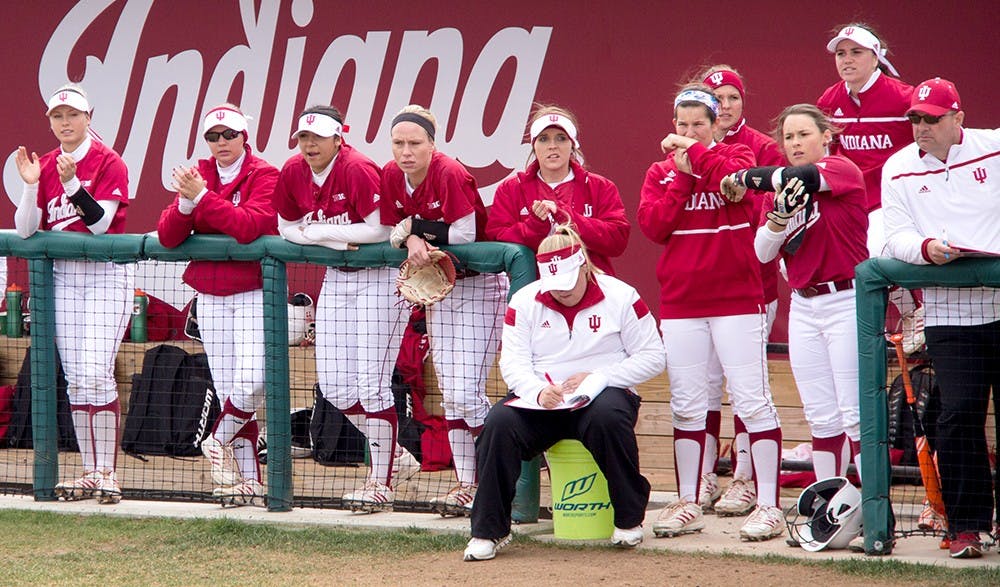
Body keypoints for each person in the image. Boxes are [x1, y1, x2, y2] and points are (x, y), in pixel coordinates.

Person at [463, 226, 665, 561]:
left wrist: (601, 377)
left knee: (608, 418)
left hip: (603, 393)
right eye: (554, 286)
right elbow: (512, 361)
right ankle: (488, 531)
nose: (562, 293)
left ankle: (629, 519)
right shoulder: (524, 300)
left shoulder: (622, 296)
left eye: (569, 284)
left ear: (584, 266)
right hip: (543, 399)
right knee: (498, 423)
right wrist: (538, 390)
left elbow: (654, 356)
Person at [638, 84, 784, 542]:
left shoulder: (738, 158)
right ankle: (687, 501)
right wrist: (681, 176)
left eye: (697, 124)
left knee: (752, 399)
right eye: (680, 124)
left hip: (738, 300)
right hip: (682, 302)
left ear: (716, 122)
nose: (686, 132)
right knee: (686, 403)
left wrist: (697, 154)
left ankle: (769, 506)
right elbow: (654, 227)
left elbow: (741, 191)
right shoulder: (660, 172)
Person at [882, 78, 1000, 559]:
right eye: (916, 118)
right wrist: (926, 250)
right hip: (950, 311)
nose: (922, 127)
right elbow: (895, 236)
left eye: (932, 118)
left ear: (958, 118)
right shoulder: (898, 166)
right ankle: (968, 526)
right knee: (955, 419)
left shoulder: (993, 147)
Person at [274, 105, 414, 512]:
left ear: (338, 138)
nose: (310, 145)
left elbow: (381, 230)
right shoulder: (293, 171)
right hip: (337, 274)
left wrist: (317, 231)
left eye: (318, 137)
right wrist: (332, 240)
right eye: (304, 137)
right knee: (334, 386)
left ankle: (380, 480)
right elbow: (284, 226)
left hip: (379, 278)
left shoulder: (356, 167)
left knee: (372, 383)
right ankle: (396, 457)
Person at [721, 103, 868, 488]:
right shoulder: (777, 192)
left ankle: (872, 507)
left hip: (846, 299)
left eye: (804, 134)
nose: (796, 143)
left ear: (826, 137)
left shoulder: (841, 169)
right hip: (804, 304)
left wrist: (743, 176)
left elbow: (800, 176)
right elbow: (762, 251)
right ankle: (831, 502)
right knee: (820, 415)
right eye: (788, 137)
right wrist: (778, 218)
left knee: (854, 412)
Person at [380, 104, 508, 516]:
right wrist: (410, 236)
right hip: (442, 289)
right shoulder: (390, 174)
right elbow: (389, 229)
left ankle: (506, 467)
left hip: (479, 284)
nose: (406, 151)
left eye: (415, 143)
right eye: (398, 143)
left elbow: (466, 234)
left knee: (465, 392)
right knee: (451, 397)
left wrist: (415, 230)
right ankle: (467, 485)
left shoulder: (448, 171)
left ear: (432, 145)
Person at [14, 84, 132, 503]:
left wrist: (72, 184)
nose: (65, 123)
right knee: (76, 380)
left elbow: (101, 224)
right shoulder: (44, 164)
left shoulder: (108, 161)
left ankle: (108, 473)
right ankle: (89, 471)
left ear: (88, 117)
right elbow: (27, 229)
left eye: (72, 115)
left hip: (104, 275)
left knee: (96, 373)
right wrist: (31, 186)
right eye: (57, 116)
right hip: (64, 277)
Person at [156, 104, 278, 507]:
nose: (222, 143)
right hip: (210, 295)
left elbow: (247, 227)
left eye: (229, 135)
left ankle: (215, 441)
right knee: (229, 390)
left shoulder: (264, 174)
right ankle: (247, 483)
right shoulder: (199, 173)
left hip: (253, 292)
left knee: (254, 382)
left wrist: (203, 198)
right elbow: (169, 235)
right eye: (213, 136)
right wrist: (188, 203)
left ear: (245, 136)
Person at [699, 65, 785, 517]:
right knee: (707, 385)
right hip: (703, 292)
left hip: (754, 287)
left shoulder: (763, 149)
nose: (726, 106)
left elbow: (772, 216)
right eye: (718, 99)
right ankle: (705, 475)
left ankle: (746, 479)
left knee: (746, 388)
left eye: (732, 97)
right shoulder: (688, 149)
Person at [817, 23, 924, 353]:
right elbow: (827, 150)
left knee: (875, 254)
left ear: (876, 57)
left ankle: (914, 314)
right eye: (841, 53)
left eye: (856, 52)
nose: (847, 60)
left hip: (892, 200)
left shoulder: (903, 97)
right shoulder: (830, 100)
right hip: (852, 201)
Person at [485, 105, 629, 275]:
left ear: (573, 144)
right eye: (544, 139)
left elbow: (617, 240)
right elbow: (496, 239)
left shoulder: (600, 186)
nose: (552, 146)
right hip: (533, 289)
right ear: (534, 145)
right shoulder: (510, 189)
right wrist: (534, 226)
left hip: (592, 286)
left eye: (561, 138)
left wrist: (568, 217)